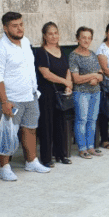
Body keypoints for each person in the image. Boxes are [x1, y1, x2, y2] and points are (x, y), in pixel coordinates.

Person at [0, 12, 51, 180]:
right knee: (8, 132)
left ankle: (31, 161)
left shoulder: (26, 42)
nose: (19, 28)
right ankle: (4, 167)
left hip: (30, 94)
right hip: (12, 98)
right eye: (15, 26)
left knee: (30, 129)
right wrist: (5, 101)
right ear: (5, 27)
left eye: (21, 24)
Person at [35, 21, 73, 166]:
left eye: (56, 33)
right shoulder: (41, 52)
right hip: (47, 94)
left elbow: (67, 69)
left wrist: (68, 85)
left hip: (61, 95)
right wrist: (65, 82)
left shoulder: (61, 51)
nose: (53, 36)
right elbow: (46, 74)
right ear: (44, 36)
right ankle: (46, 158)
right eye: (50, 33)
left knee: (60, 124)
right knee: (47, 125)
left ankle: (61, 154)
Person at [69, 26, 104, 159]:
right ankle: (82, 148)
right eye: (83, 37)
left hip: (95, 92)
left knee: (92, 120)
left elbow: (101, 75)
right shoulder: (73, 56)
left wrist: (95, 77)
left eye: (89, 38)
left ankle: (91, 147)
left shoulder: (93, 54)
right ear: (78, 38)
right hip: (81, 93)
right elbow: (76, 79)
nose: (86, 40)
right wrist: (93, 76)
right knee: (82, 120)